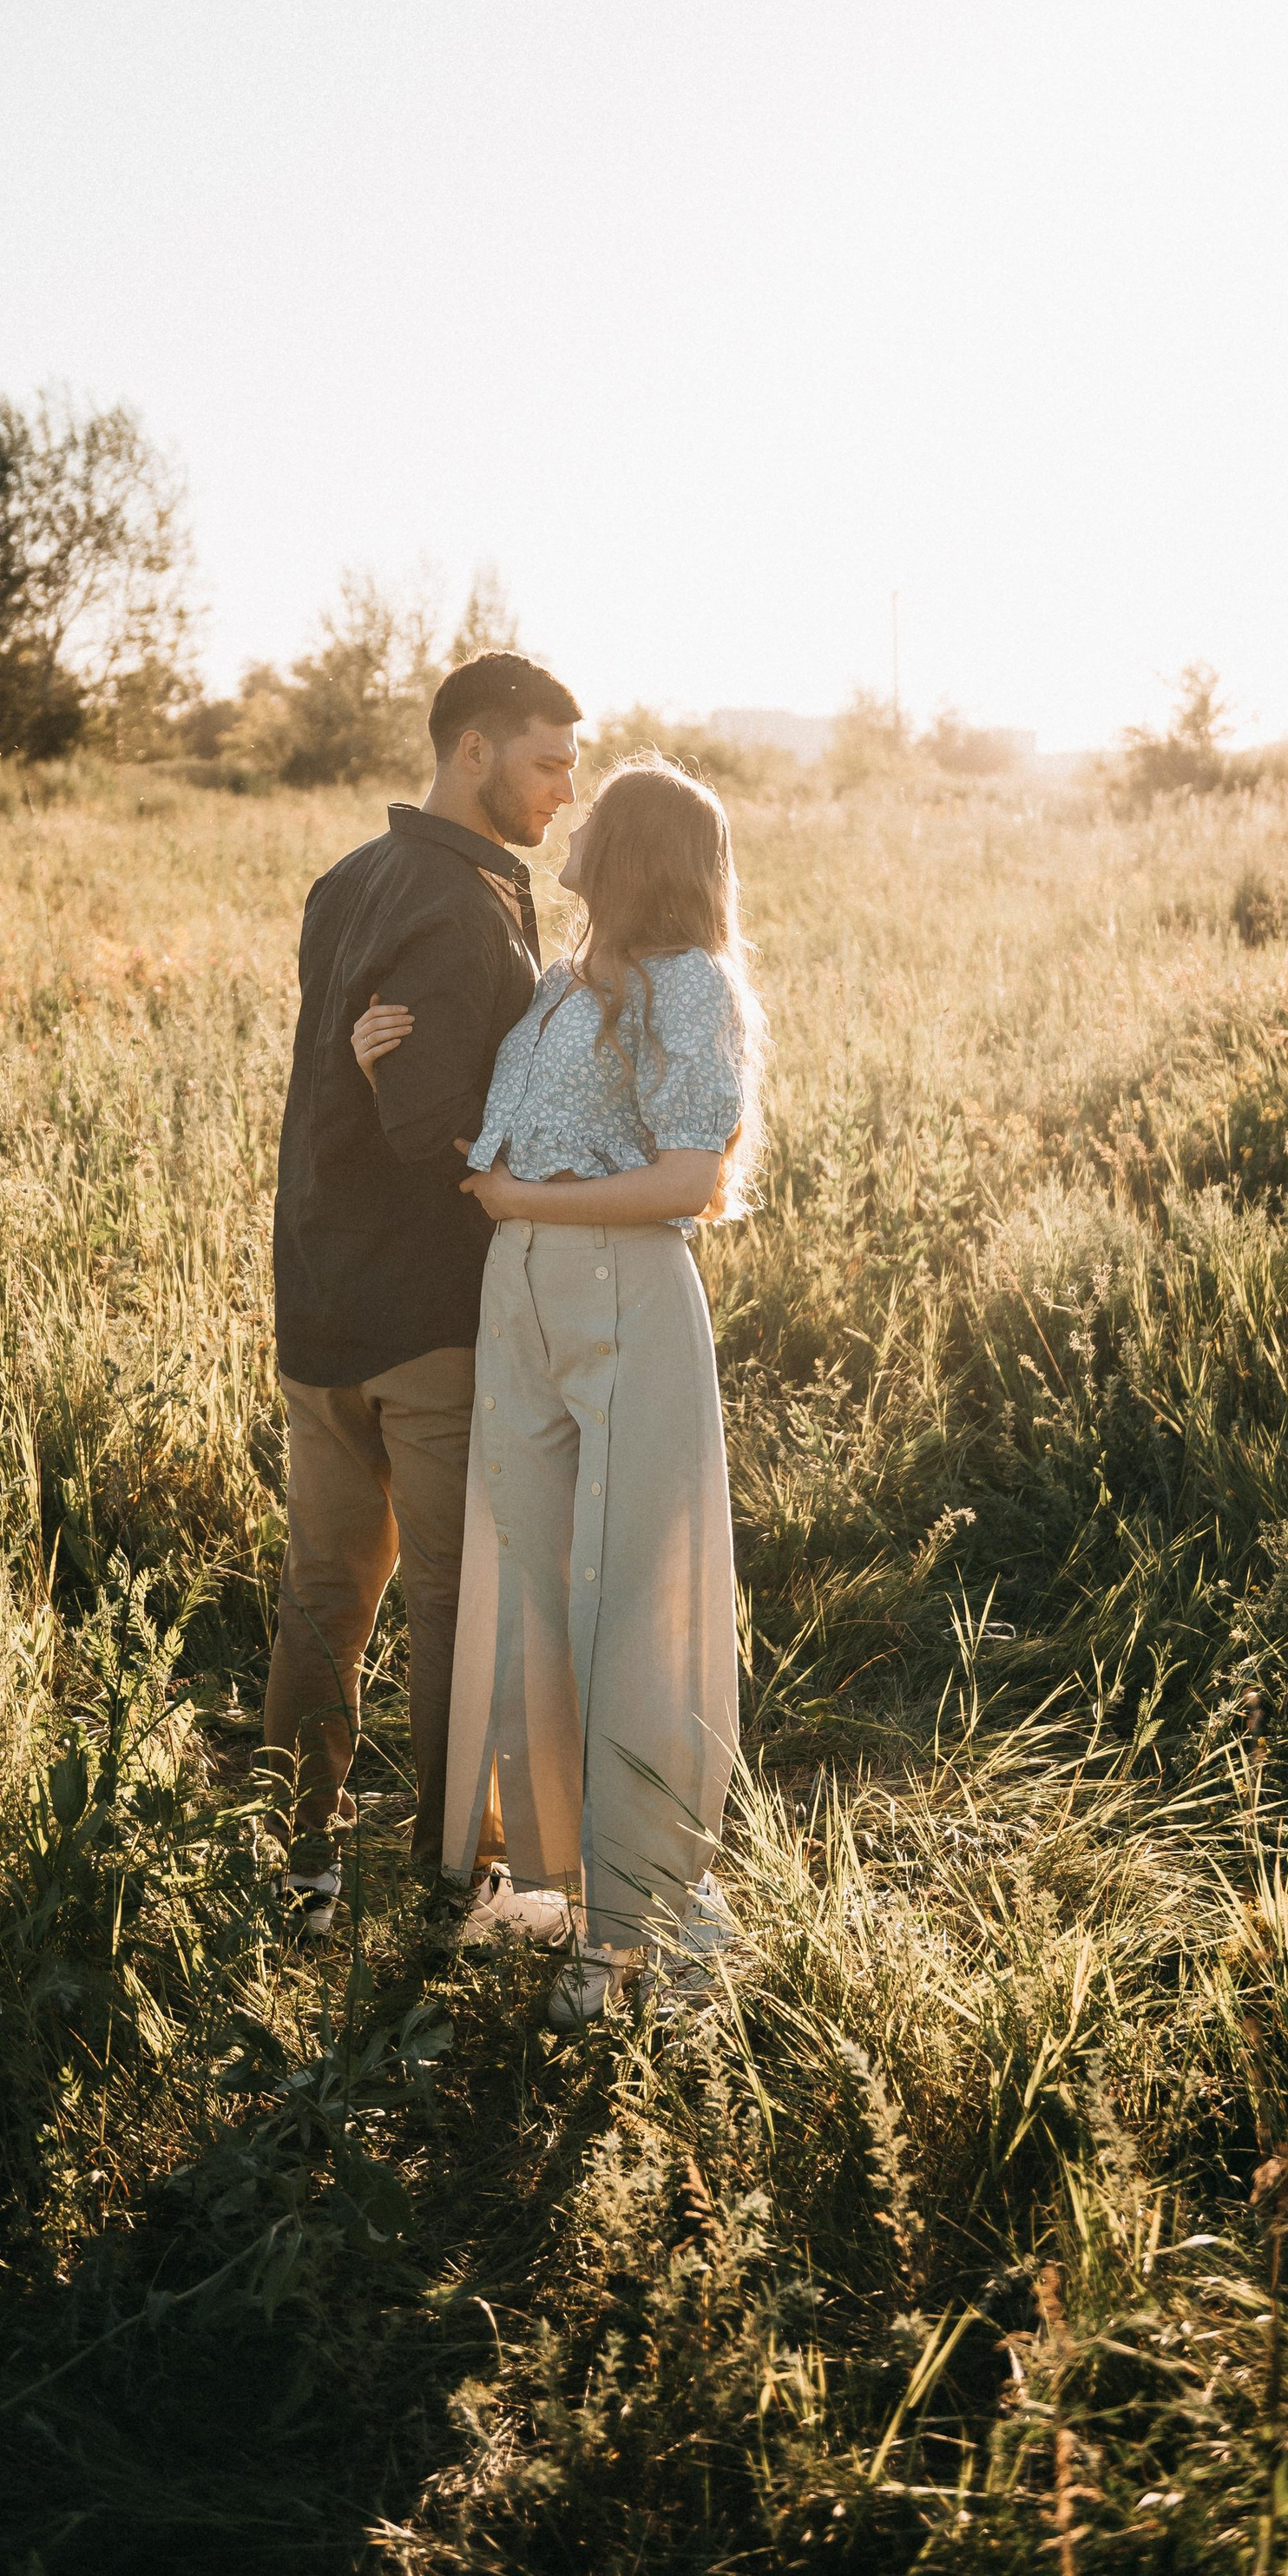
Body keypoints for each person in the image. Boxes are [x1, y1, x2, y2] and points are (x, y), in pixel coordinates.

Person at [351, 756, 762, 2023]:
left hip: (623, 1289)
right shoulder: (553, 982)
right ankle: (559, 1880)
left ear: (640, 849)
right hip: (519, 1291)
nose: (571, 823)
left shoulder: (688, 990)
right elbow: (498, 1136)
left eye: (600, 814)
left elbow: (690, 1180)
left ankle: (635, 1928)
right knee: (527, 1575)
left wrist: (525, 1201)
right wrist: (385, 1071)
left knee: (627, 1593)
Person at [264, 649, 582, 1927]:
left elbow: (360, 1080)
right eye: (549, 761)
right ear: (473, 752)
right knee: (458, 1596)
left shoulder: (349, 881)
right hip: (425, 1315)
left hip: (319, 1292)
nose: (567, 788)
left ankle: (300, 1862)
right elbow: (430, 1122)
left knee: (323, 1595)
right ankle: (456, 1870)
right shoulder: (460, 907)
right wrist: (566, 1172)